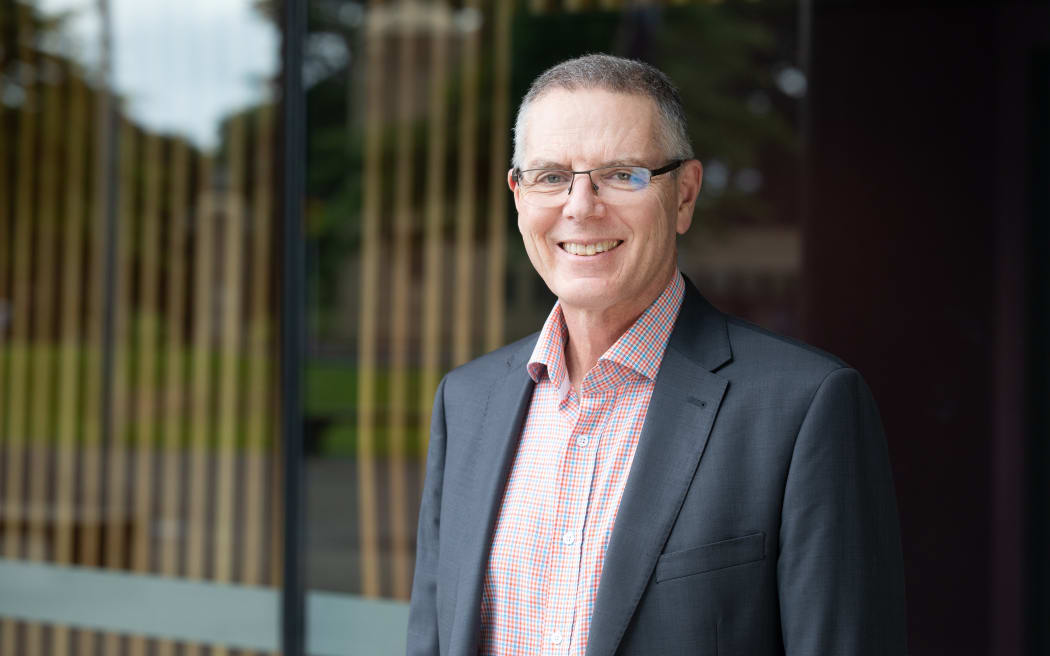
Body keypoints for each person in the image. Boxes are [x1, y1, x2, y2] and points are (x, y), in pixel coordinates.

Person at [406, 54, 906, 656]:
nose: (581, 206)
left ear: (685, 194)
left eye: (622, 174)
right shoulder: (466, 402)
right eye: (550, 176)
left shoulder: (804, 408)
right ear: (518, 195)